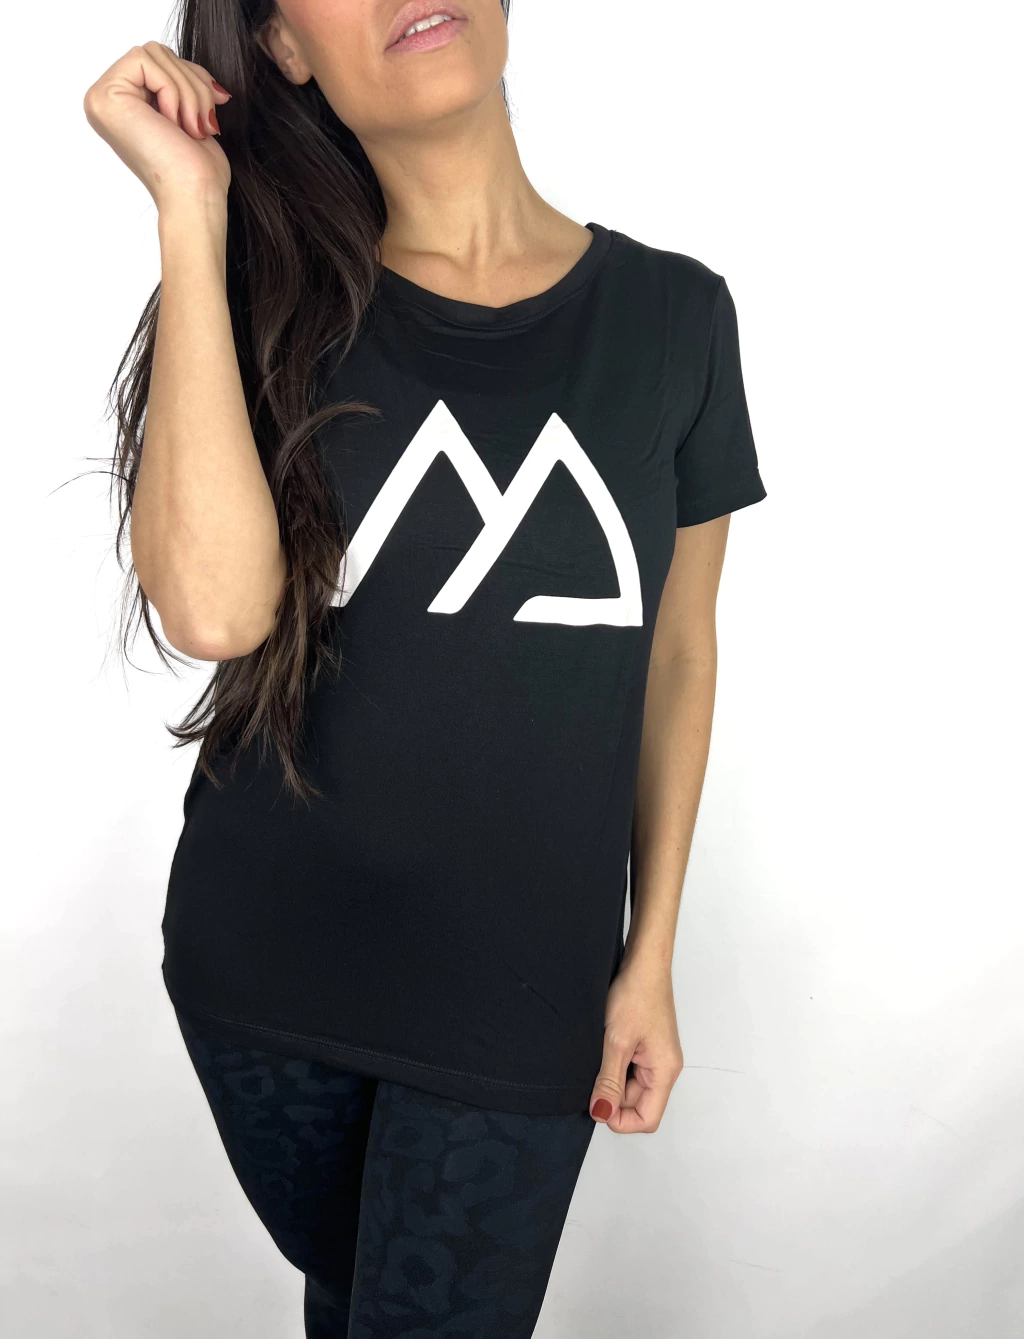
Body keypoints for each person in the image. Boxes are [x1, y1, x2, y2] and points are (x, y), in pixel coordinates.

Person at [83, 1, 767, 1334]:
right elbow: (215, 612)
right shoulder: (262, 299)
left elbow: (678, 650)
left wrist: (651, 953)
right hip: (268, 979)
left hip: (525, 986)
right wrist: (190, 211)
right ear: (284, 50)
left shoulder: (676, 315)